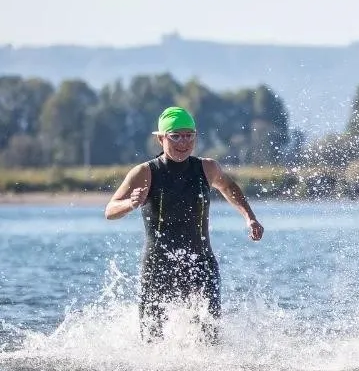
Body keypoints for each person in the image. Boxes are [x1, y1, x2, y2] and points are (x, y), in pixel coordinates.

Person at [104, 106, 264, 342]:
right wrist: (130, 203)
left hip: (201, 263)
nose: (183, 142)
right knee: (152, 339)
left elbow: (229, 187)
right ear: (161, 138)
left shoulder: (207, 168)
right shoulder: (145, 172)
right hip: (159, 265)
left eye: (189, 135)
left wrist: (249, 217)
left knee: (209, 337)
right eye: (175, 136)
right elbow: (110, 210)